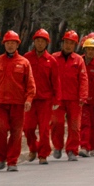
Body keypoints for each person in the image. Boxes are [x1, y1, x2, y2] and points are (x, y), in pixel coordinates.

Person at [0, 30, 34, 169]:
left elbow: (30, 84)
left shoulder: (24, 63)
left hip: (18, 103)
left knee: (16, 133)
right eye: (8, 43)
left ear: (17, 45)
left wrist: (28, 100)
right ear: (4, 44)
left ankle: (12, 161)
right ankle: (1, 157)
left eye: (13, 43)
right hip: (0, 103)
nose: (10, 45)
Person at [23, 29, 57, 163]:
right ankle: (33, 148)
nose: (40, 43)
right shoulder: (26, 58)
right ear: (34, 42)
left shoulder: (51, 60)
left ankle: (43, 154)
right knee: (28, 128)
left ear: (47, 43)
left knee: (44, 129)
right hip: (29, 100)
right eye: (37, 41)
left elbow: (55, 81)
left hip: (45, 100)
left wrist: (56, 99)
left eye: (43, 41)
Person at [51, 30, 85, 159]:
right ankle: (58, 146)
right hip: (58, 98)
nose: (68, 45)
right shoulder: (54, 58)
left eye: (71, 43)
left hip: (74, 99)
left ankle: (72, 150)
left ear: (75, 45)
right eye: (66, 42)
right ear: (63, 43)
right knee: (56, 123)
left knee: (75, 126)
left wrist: (83, 95)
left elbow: (83, 79)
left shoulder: (78, 60)